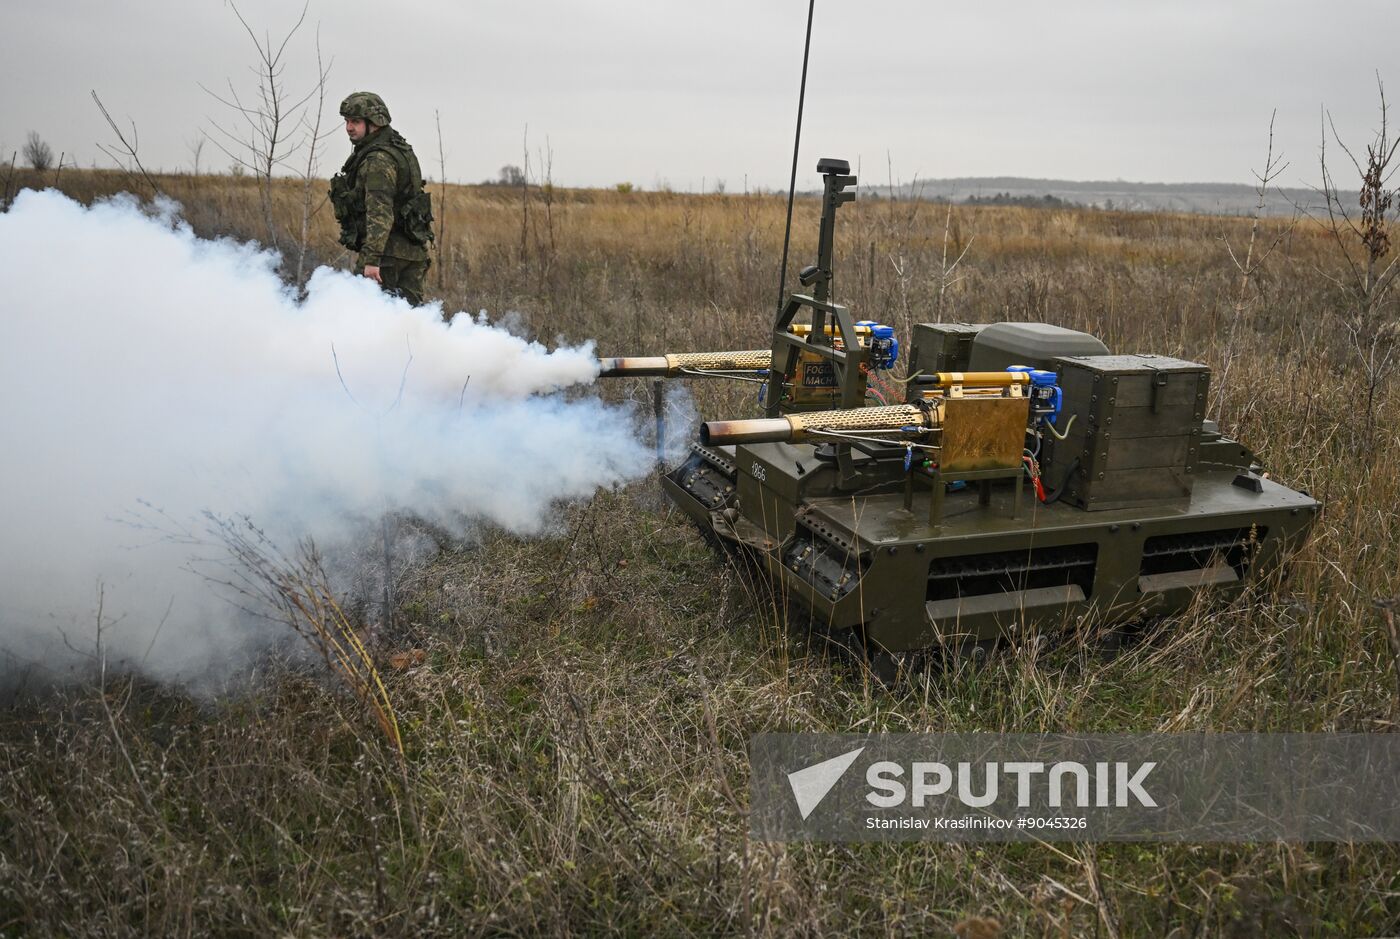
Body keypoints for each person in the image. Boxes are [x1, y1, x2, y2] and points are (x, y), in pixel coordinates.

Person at [329, 92, 434, 305]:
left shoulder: (378, 160)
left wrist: (372, 261)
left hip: (386, 258)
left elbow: (380, 212)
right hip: (412, 254)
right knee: (408, 323)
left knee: (367, 322)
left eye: (355, 122)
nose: (349, 127)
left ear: (374, 123)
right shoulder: (397, 147)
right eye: (347, 121)